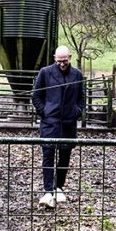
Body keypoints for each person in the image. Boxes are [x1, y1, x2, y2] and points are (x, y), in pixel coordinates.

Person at [31, 45, 85, 208]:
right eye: (59, 61)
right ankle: (48, 191)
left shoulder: (77, 74)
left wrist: (76, 112)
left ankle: (59, 187)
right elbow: (36, 96)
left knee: (65, 156)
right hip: (50, 123)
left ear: (70, 57)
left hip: (69, 123)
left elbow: (82, 98)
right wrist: (45, 112)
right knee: (48, 155)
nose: (62, 64)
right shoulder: (45, 72)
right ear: (55, 58)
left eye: (65, 61)